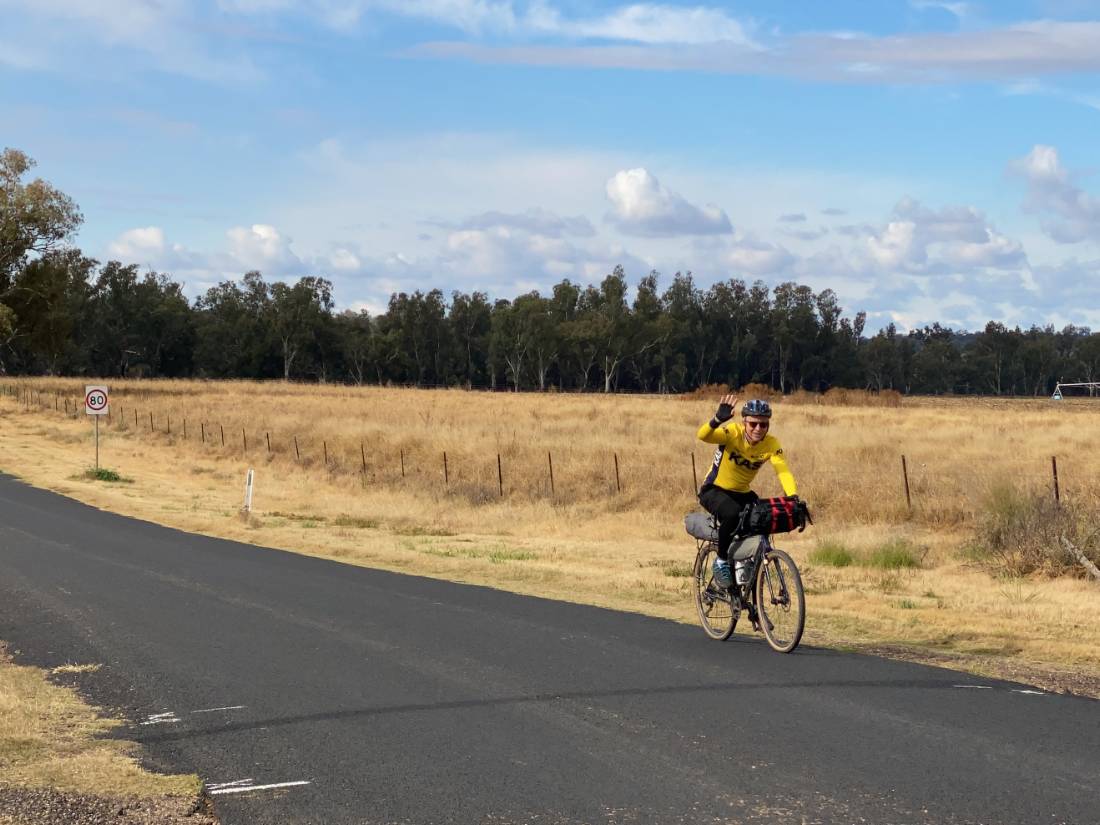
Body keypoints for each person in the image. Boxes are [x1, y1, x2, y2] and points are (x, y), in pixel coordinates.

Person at [696, 394, 797, 588]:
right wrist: (717, 420)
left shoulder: (771, 444)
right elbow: (703, 436)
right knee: (732, 514)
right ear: (744, 422)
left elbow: (782, 470)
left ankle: (745, 562)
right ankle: (721, 561)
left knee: (763, 516)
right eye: (753, 424)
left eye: (763, 425)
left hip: (741, 492)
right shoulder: (732, 433)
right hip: (714, 490)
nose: (758, 429)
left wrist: (793, 496)